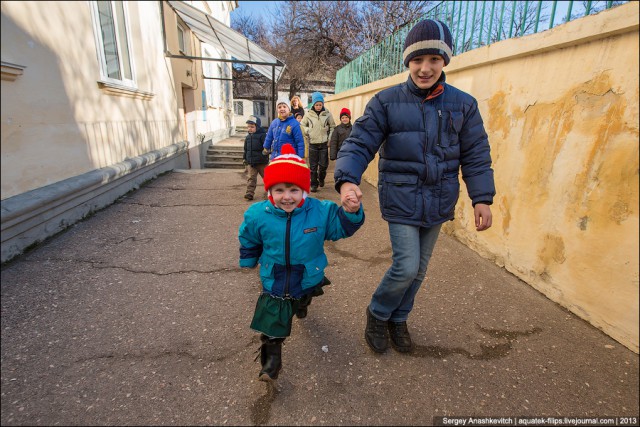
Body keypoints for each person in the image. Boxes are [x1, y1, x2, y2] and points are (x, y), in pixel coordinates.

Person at [333, 19, 495, 354]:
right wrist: (348, 178)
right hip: (402, 197)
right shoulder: (386, 101)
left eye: (434, 59)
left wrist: (482, 198)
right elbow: (360, 141)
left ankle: (399, 318)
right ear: (407, 61)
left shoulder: (464, 105)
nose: (425, 68)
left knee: (419, 270)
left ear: (445, 61)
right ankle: (378, 313)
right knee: (406, 265)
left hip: (438, 200)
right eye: (418, 60)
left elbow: (477, 154)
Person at [239, 143, 364, 382]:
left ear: (304, 191)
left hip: (307, 274)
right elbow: (249, 236)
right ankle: (271, 361)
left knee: (302, 297)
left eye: (294, 190)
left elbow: (341, 228)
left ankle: (302, 304)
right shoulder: (257, 215)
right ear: (270, 192)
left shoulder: (320, 212)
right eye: (280, 190)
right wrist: (249, 259)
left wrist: (351, 211)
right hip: (274, 276)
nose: (287, 197)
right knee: (273, 316)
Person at [299, 92, 336, 192]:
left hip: (323, 143)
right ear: (313, 105)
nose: (319, 106)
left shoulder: (327, 114)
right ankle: (314, 184)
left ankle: (321, 178)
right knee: (313, 166)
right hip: (313, 144)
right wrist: (308, 131)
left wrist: (329, 138)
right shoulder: (308, 114)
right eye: (317, 105)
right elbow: (302, 125)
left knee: (324, 165)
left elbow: (333, 127)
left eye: (320, 104)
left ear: (323, 104)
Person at [243, 115, 269, 201]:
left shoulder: (262, 135)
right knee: (251, 178)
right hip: (252, 163)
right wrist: (245, 159)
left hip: (262, 162)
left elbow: (266, 146)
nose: (250, 129)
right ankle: (249, 193)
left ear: (257, 127)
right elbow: (246, 150)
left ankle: (272, 192)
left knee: (267, 178)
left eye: (252, 127)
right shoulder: (247, 137)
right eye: (248, 127)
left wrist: (266, 151)